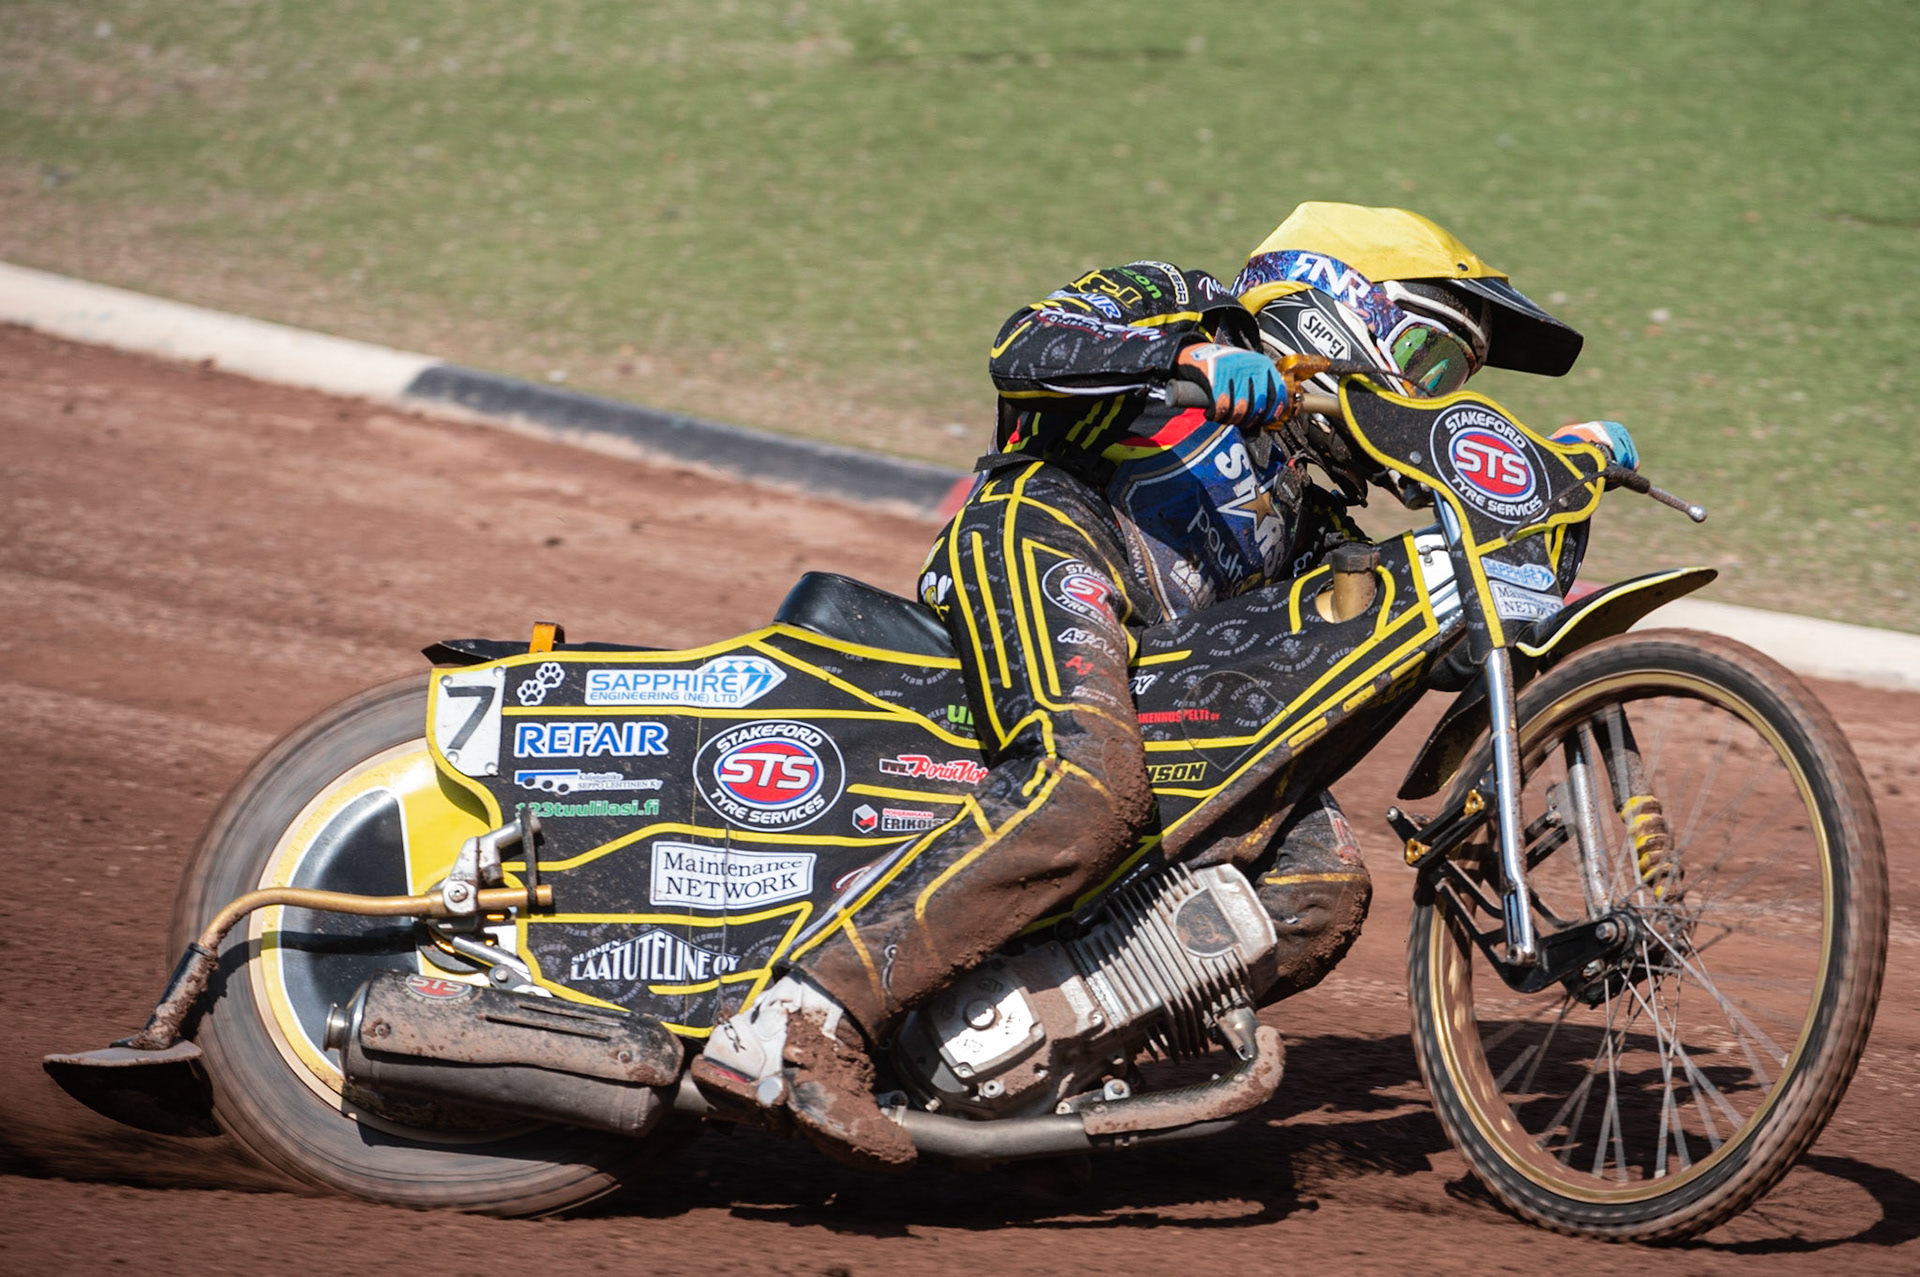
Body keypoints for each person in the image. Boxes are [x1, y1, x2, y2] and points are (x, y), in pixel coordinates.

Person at [691, 202, 1637, 1169]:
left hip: (1164, 664)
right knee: (1085, 786)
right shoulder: (1184, 303)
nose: (1433, 393)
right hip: (1044, 537)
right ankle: (800, 1014)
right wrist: (1187, 364)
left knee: (1317, 884)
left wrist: (1551, 493)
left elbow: (1404, 643)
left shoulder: (1313, 507)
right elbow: (1024, 347)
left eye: (1454, 382)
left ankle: (1014, 1056)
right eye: (1432, 361)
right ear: (1339, 304)